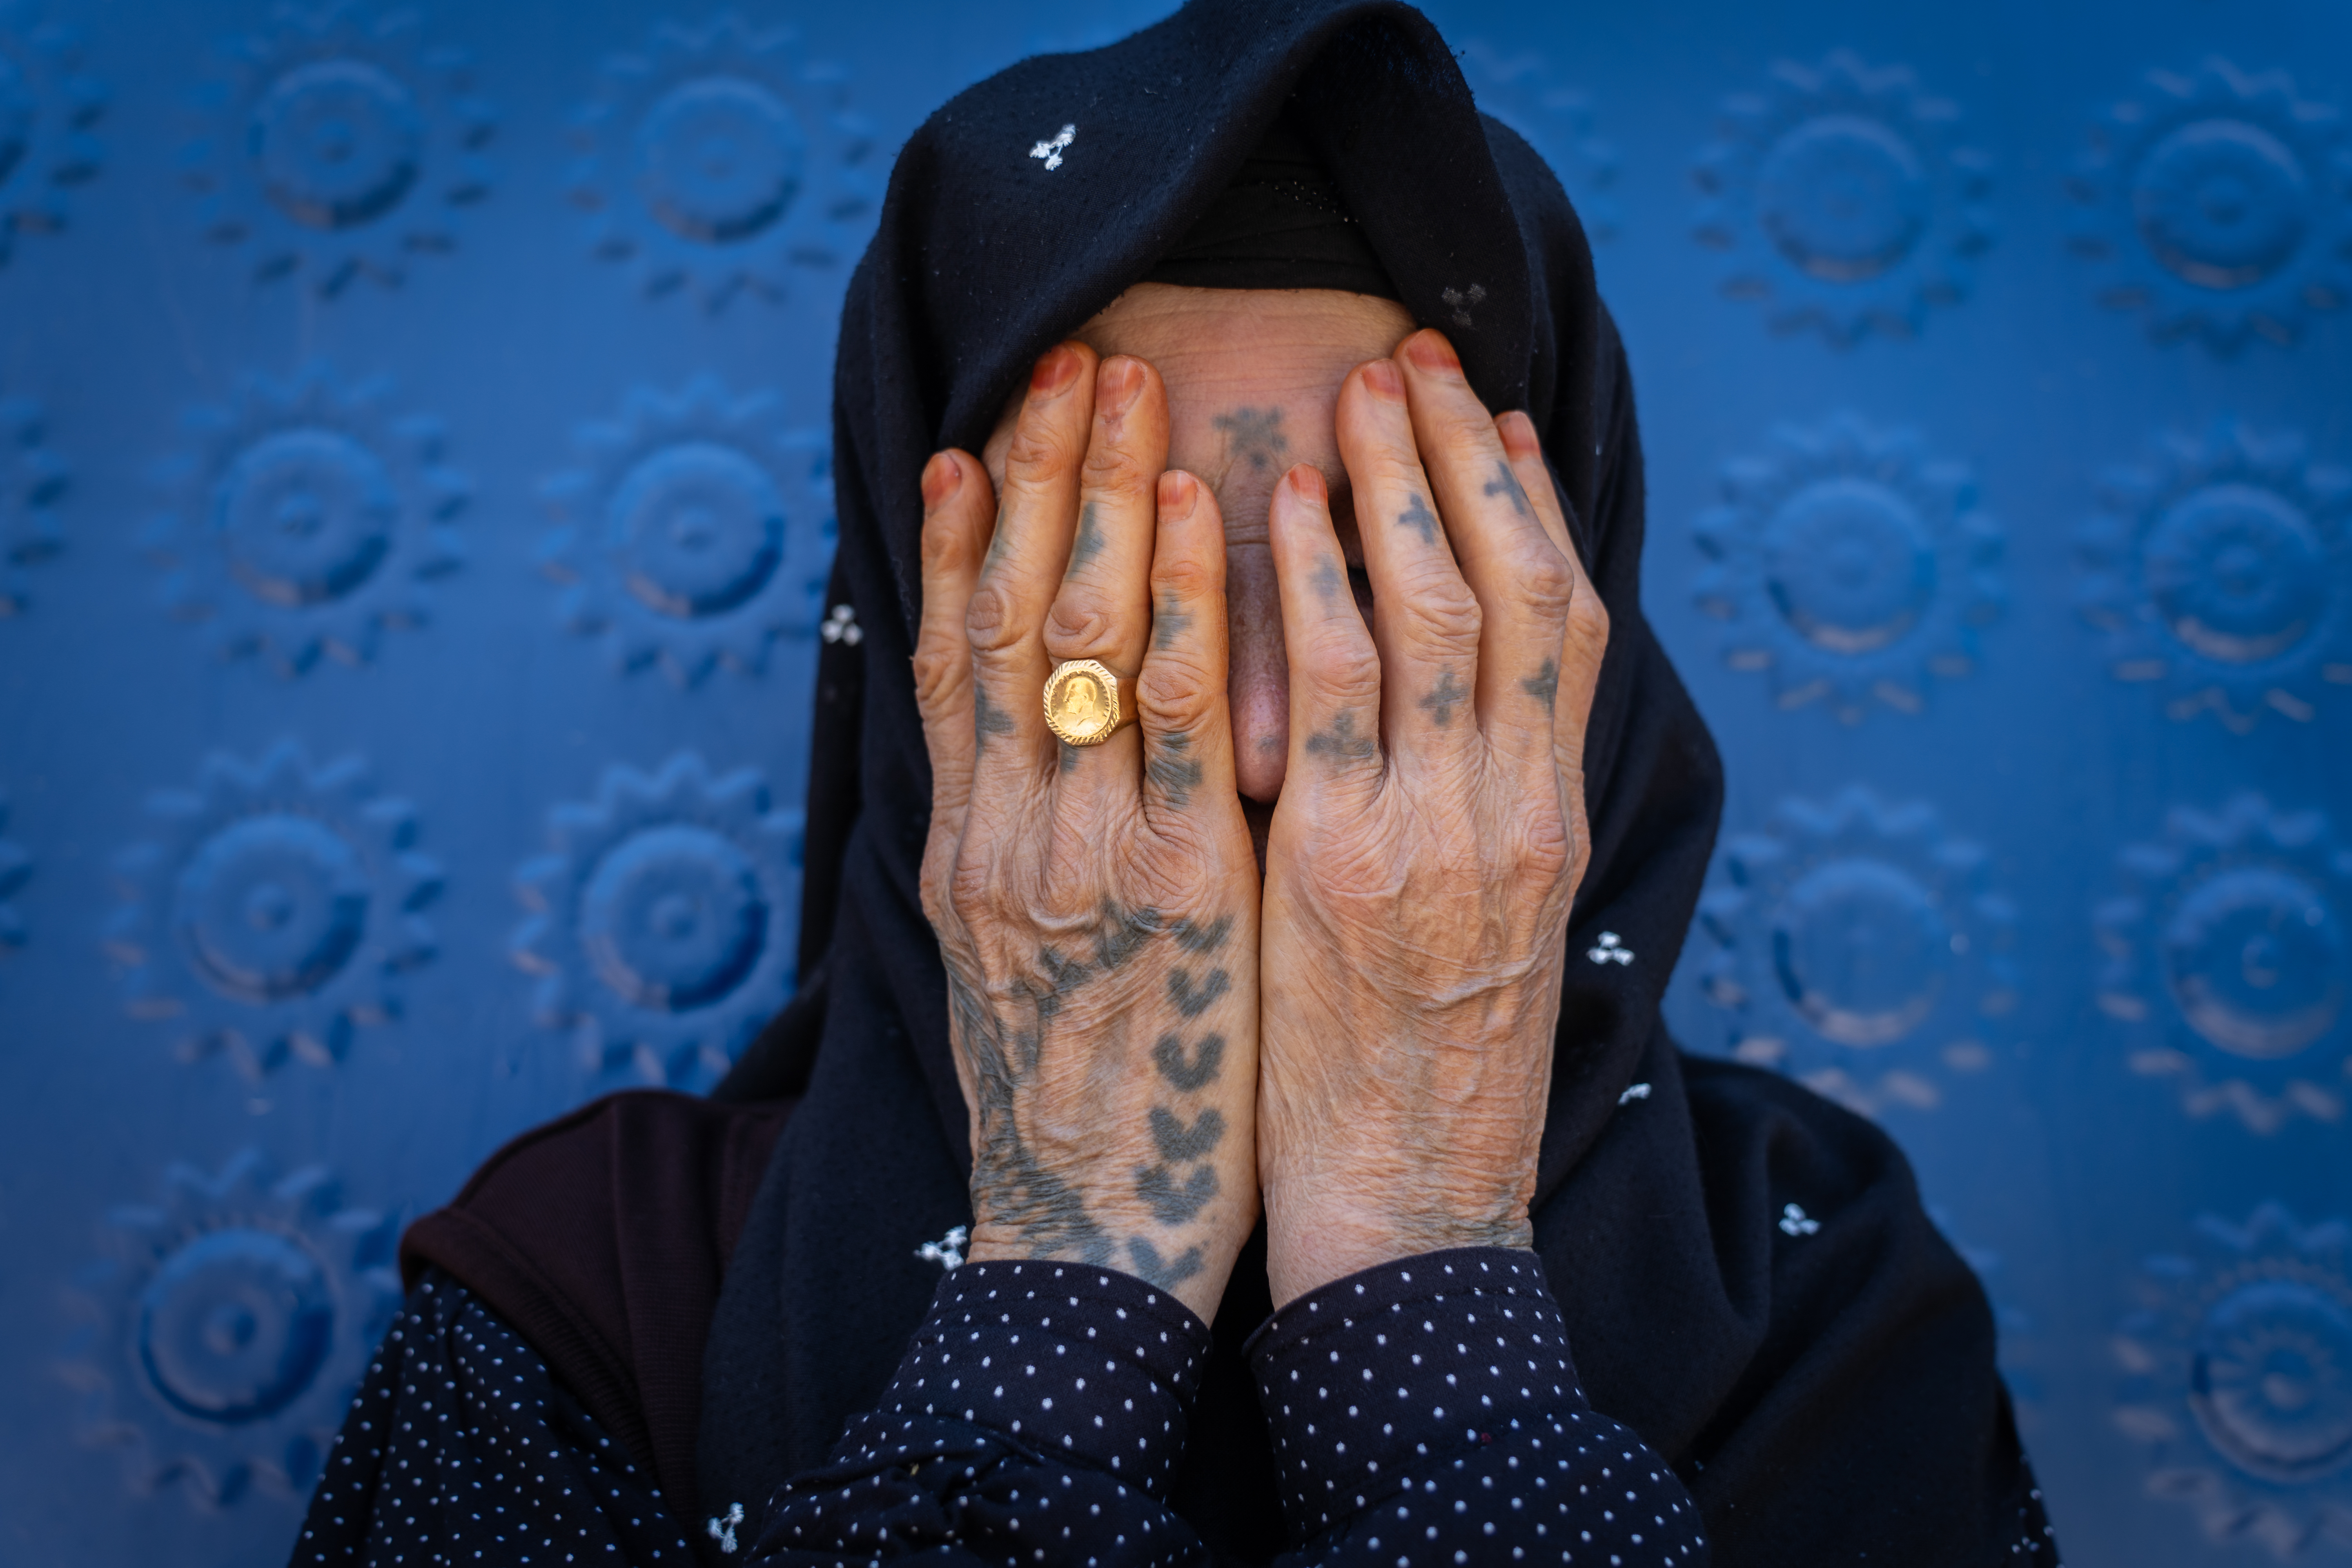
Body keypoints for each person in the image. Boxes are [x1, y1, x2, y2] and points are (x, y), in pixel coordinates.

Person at [290, 3, 2059, 1564]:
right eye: (1138, 591)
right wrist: (1074, 1255)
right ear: (935, 634)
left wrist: (1422, 1239)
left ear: (1555, 614)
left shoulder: (1828, 1310)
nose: (1266, 733)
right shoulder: (593, 1305)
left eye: (1374, 585)